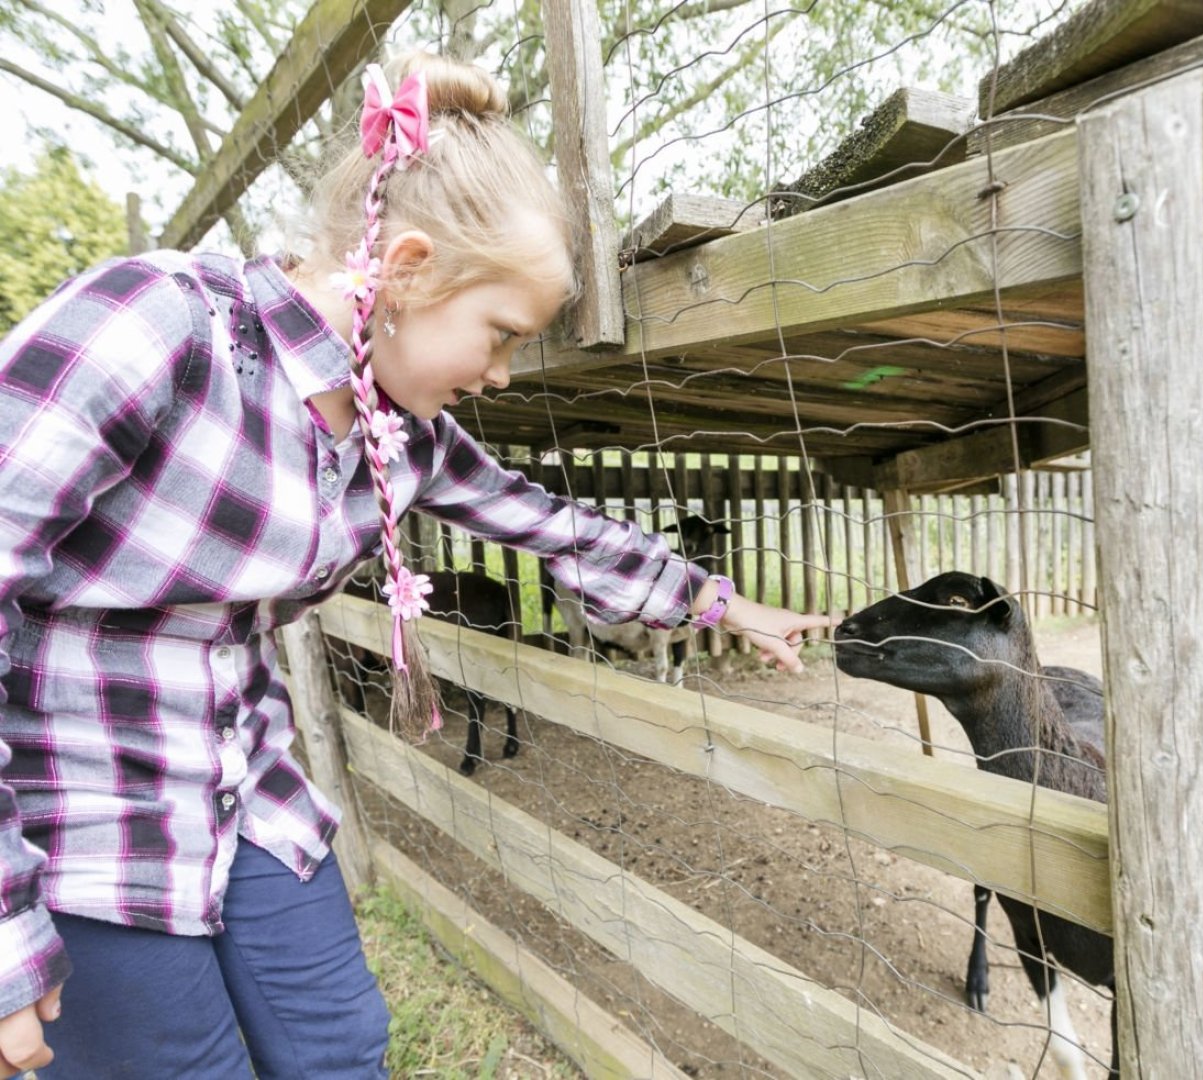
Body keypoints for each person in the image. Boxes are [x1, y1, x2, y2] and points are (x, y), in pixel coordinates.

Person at [0, 50, 834, 1078]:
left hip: (243, 782)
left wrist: (716, 602)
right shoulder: (163, 325)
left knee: (343, 1050)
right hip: (79, 812)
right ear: (407, 268)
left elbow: (541, 521)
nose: (500, 374)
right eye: (500, 333)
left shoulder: (397, 431)